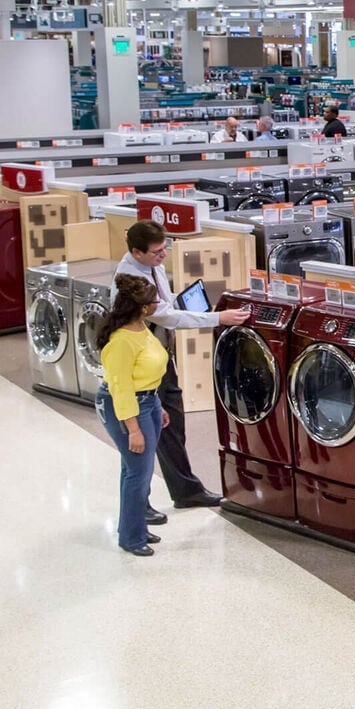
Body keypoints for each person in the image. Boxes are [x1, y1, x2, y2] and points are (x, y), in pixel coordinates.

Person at [114, 221, 249, 523]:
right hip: (142, 365)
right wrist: (217, 318)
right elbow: (165, 316)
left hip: (158, 357)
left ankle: (185, 490)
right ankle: (140, 505)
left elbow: (167, 302)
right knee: (145, 439)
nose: (164, 255)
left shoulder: (151, 266)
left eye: (165, 248)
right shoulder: (129, 277)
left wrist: (190, 302)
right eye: (157, 252)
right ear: (136, 251)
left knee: (171, 426)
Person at [96, 274, 168, 557]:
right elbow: (121, 388)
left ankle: (134, 526)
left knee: (135, 469)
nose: (158, 303)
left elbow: (148, 374)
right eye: (154, 300)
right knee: (138, 471)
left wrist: (158, 405)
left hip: (148, 402)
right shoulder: (121, 342)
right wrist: (134, 429)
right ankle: (131, 537)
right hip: (124, 407)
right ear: (141, 307)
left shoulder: (141, 327)